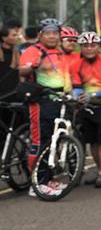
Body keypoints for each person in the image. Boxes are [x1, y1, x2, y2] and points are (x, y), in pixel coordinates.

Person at [18, 19, 72, 195]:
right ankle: (37, 184)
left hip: (59, 100)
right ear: (40, 34)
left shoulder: (59, 52)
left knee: (52, 142)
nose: (52, 36)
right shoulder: (33, 51)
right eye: (48, 33)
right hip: (41, 101)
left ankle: (48, 179)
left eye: (55, 33)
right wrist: (32, 65)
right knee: (40, 141)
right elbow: (22, 71)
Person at [70, 31, 101, 188]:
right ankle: (100, 170)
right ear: (81, 48)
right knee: (92, 141)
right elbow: (77, 87)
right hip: (87, 106)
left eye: (93, 45)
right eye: (86, 46)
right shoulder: (75, 65)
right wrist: (79, 96)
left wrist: (94, 94)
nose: (89, 49)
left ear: (99, 46)